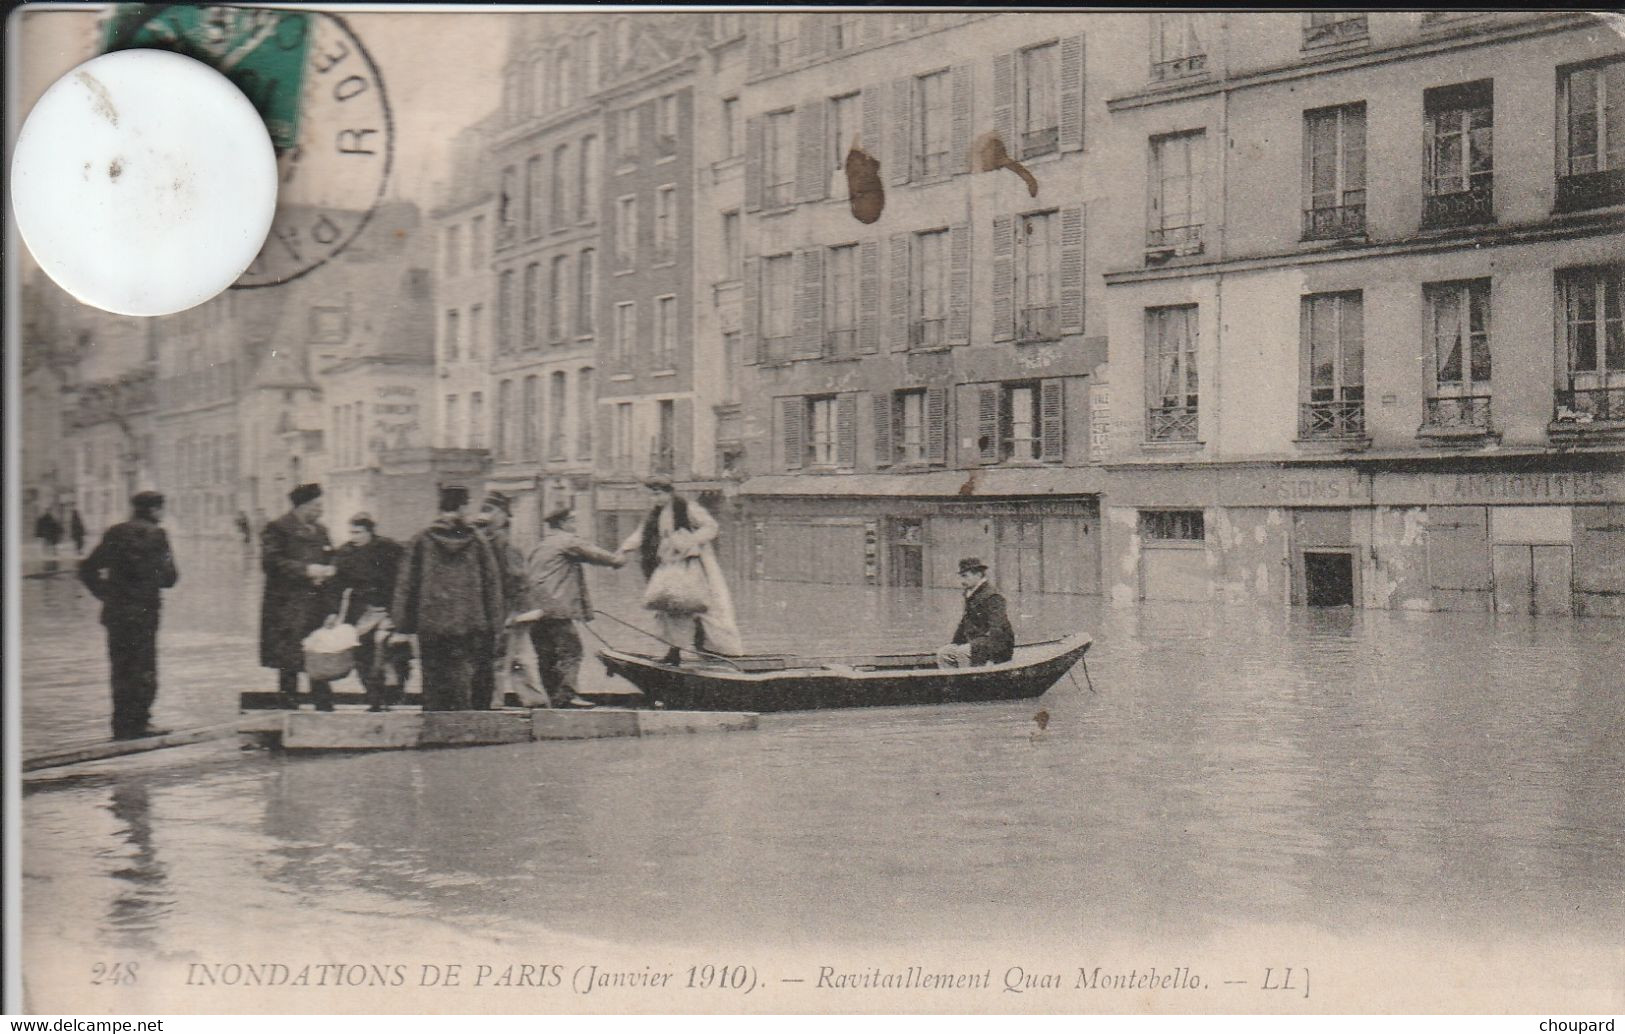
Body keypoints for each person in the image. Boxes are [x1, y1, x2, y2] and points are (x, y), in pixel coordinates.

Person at [392, 485, 504, 711]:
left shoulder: (421, 539)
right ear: (462, 507)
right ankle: (462, 724)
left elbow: (406, 584)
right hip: (470, 621)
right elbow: (491, 583)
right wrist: (495, 621)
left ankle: (435, 723)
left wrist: (402, 624)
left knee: (433, 674)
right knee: (463, 672)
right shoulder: (477, 540)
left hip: (430, 622)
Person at [78, 491, 178, 740]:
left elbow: (87, 569)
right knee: (143, 667)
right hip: (144, 613)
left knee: (120, 668)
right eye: (161, 509)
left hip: (116, 613)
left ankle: (121, 724)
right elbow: (170, 578)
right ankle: (140, 723)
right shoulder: (157, 535)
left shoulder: (114, 533)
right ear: (154, 510)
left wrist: (106, 594)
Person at [617, 477, 743, 665]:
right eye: (652, 495)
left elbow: (711, 527)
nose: (655, 499)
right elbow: (640, 534)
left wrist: (689, 540)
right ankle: (674, 651)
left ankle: (723, 652)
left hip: (696, 565)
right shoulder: (655, 514)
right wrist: (624, 549)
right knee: (672, 606)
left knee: (708, 606)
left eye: (658, 494)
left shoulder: (688, 508)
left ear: (669, 492)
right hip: (670, 565)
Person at [523, 506, 624, 707]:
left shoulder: (540, 545)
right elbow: (595, 554)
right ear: (562, 524)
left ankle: (553, 698)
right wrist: (617, 560)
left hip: (534, 611)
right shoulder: (566, 540)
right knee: (572, 651)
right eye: (573, 521)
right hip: (556, 610)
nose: (575, 525)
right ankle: (566, 698)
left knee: (546, 655)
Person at [260, 483, 338, 710]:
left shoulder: (321, 530)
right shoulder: (277, 528)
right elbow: (271, 562)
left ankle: (324, 709)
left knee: (319, 656)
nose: (320, 510)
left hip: (316, 606)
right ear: (302, 507)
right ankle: (289, 710)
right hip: (287, 607)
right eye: (316, 505)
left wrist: (330, 571)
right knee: (289, 661)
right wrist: (306, 571)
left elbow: (331, 557)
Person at [329, 512, 409, 712]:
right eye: (351, 532)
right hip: (359, 610)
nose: (354, 537)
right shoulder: (345, 553)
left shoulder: (389, 548)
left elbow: (405, 574)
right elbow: (335, 585)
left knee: (393, 653)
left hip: (387, 607)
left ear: (370, 532)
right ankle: (373, 699)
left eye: (358, 532)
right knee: (362, 656)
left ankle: (393, 696)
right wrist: (333, 612)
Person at [471, 491, 531, 709]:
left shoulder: (474, 541)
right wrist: (520, 609)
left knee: (502, 657)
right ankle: (501, 702)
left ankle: (523, 700)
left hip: (485, 611)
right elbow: (518, 578)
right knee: (508, 657)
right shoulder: (504, 544)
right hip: (503, 609)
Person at [937, 557, 1015, 669]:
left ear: (978, 575)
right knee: (944, 653)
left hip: (998, 646)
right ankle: (952, 683)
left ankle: (969, 683)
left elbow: (997, 628)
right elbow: (965, 622)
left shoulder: (993, 596)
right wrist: (955, 643)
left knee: (962, 652)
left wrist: (993, 658)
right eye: (960, 576)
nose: (961, 581)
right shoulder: (970, 593)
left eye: (965, 576)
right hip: (977, 642)